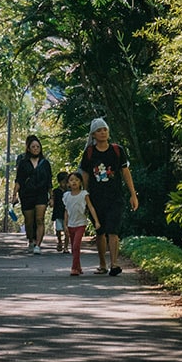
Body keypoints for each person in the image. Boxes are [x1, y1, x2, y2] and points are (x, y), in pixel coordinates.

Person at [79, 117, 138, 276]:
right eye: (99, 130)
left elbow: (125, 172)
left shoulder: (117, 150)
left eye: (105, 129)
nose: (103, 132)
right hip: (96, 198)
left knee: (113, 230)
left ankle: (114, 264)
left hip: (115, 197)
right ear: (93, 134)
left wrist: (133, 194)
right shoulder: (89, 153)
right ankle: (102, 264)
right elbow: (85, 175)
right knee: (100, 232)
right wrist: (85, 196)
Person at [14, 134, 54, 253]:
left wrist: (51, 196)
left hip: (41, 194)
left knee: (40, 219)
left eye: (38, 146)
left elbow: (49, 181)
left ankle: (38, 245)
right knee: (29, 221)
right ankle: (30, 239)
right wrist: (14, 195)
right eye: (33, 146)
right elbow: (18, 180)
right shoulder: (23, 162)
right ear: (29, 148)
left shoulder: (45, 163)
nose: (36, 148)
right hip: (27, 194)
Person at [61, 171, 95, 275]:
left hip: (81, 223)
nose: (74, 182)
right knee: (73, 247)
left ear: (80, 182)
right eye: (71, 180)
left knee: (76, 245)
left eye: (76, 180)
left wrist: (96, 221)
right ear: (68, 184)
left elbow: (90, 207)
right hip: (71, 224)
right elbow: (66, 211)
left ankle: (74, 268)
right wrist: (65, 225)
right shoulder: (66, 196)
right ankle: (79, 267)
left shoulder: (84, 194)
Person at [51, 170, 69, 252]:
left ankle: (66, 247)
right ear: (59, 182)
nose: (65, 184)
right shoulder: (56, 191)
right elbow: (53, 200)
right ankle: (59, 241)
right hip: (58, 213)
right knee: (58, 229)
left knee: (67, 231)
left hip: (68, 214)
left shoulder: (69, 192)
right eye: (63, 182)